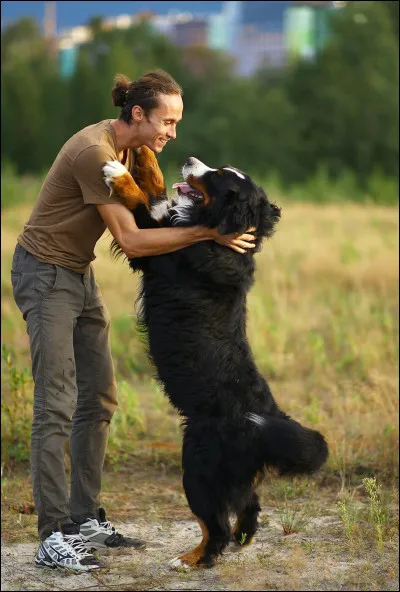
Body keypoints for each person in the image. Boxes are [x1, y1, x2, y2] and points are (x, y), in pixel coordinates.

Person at [11, 69, 257, 571]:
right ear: (138, 115)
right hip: (44, 273)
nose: (173, 132)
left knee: (98, 397)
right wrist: (209, 234)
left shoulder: (136, 154)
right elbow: (134, 241)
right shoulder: (93, 153)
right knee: (55, 403)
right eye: (167, 121)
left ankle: (84, 519)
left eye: (177, 122)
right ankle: (52, 533)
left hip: (77, 274)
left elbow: (154, 213)